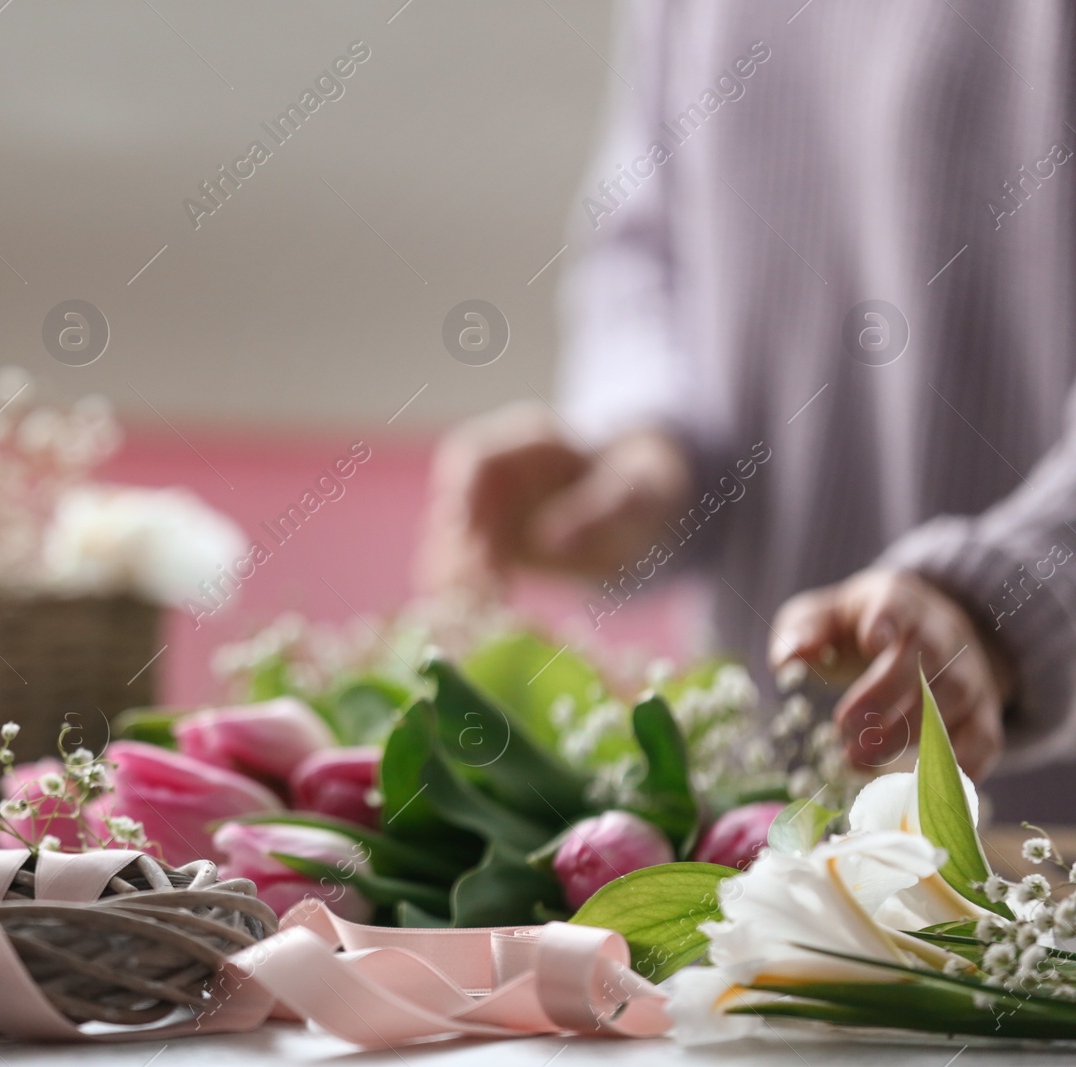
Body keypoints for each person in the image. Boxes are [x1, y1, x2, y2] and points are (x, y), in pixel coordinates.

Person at [419, 2, 1076, 781]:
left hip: (1041, 834)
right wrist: (644, 446)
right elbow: (649, 242)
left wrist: (1000, 605)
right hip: (757, 801)